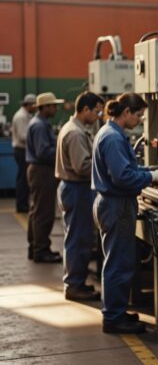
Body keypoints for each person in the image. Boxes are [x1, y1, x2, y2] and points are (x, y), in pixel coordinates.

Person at [92, 93, 158, 333]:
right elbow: (123, 177)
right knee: (118, 264)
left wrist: (148, 170)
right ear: (126, 113)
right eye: (139, 115)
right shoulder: (113, 138)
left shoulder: (110, 133)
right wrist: (151, 177)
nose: (140, 120)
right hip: (117, 205)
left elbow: (127, 168)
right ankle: (113, 319)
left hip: (114, 203)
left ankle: (116, 312)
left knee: (117, 261)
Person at [56, 92, 104, 301]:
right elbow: (82, 167)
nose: (98, 116)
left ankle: (75, 282)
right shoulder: (75, 133)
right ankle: (74, 285)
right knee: (78, 239)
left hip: (74, 188)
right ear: (85, 109)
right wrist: (105, 164)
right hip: (77, 189)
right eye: (97, 111)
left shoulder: (73, 128)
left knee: (76, 237)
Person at [26, 92, 65, 263]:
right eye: (53, 106)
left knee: (36, 211)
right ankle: (41, 250)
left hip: (39, 170)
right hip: (42, 171)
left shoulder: (40, 123)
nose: (56, 109)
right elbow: (43, 152)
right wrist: (62, 151)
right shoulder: (40, 126)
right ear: (45, 107)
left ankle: (35, 247)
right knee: (44, 213)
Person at [11, 94, 36, 213]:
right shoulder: (21, 117)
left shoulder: (25, 116)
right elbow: (22, 136)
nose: (35, 108)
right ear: (29, 105)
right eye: (34, 105)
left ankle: (23, 203)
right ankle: (21, 205)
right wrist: (36, 139)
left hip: (22, 150)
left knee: (24, 178)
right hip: (21, 151)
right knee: (23, 179)